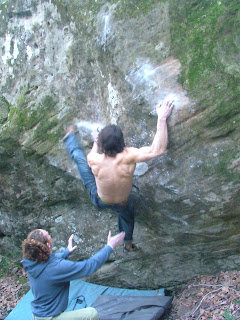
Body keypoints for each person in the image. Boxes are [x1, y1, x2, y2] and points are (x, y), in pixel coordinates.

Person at [63, 99, 174, 251]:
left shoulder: (94, 159)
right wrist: (162, 118)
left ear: (102, 146)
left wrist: (96, 141)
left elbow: (93, 153)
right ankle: (127, 244)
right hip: (122, 202)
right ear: (122, 143)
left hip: (100, 200)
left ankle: (70, 138)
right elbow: (158, 150)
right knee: (127, 217)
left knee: (79, 158)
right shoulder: (129, 156)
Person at [22, 229, 125, 320]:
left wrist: (66, 252)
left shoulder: (31, 262)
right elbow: (89, 266)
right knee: (91, 314)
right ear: (48, 245)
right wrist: (110, 246)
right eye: (48, 235)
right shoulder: (56, 268)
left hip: (38, 315)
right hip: (51, 317)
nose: (50, 236)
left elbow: (51, 260)